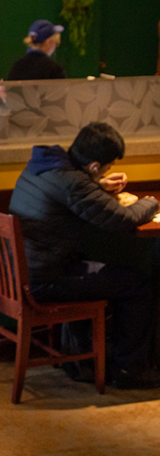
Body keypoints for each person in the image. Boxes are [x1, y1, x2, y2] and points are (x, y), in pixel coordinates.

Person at [8, 121, 160, 389]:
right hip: (44, 282)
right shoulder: (74, 184)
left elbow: (69, 191)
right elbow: (125, 219)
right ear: (93, 166)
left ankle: (80, 360)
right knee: (137, 284)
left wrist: (97, 185)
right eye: (108, 166)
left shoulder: (42, 165)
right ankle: (129, 369)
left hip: (21, 273)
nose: (109, 170)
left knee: (106, 272)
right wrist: (151, 202)